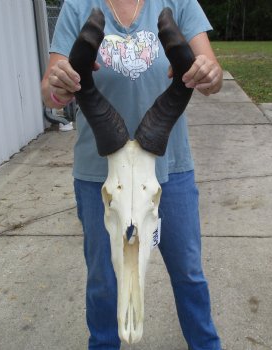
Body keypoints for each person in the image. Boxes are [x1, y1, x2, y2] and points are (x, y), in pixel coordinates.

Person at [41, 1, 223, 349]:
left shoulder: (178, 2)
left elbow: (209, 73)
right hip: (101, 175)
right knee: (103, 281)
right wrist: (58, 86)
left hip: (169, 168)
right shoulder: (79, 6)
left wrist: (210, 75)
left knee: (188, 272)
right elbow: (50, 91)